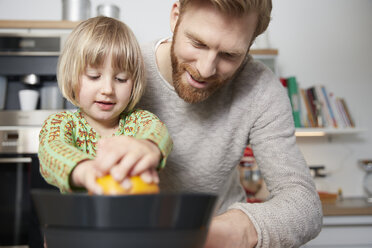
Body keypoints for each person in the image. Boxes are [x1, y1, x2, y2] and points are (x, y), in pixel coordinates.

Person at [95, 0, 323, 247]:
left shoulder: (261, 89)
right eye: (197, 43)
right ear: (175, 16)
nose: (205, 70)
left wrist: (233, 231)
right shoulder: (121, 73)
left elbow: (304, 204)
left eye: (229, 55)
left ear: (249, 45)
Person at [38, 16, 173, 194]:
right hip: (80, 220)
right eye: (94, 76)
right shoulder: (61, 123)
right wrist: (84, 169)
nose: (108, 89)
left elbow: (159, 134)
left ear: (134, 82)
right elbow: (51, 149)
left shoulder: (140, 120)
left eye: (121, 79)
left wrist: (147, 147)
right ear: (71, 77)